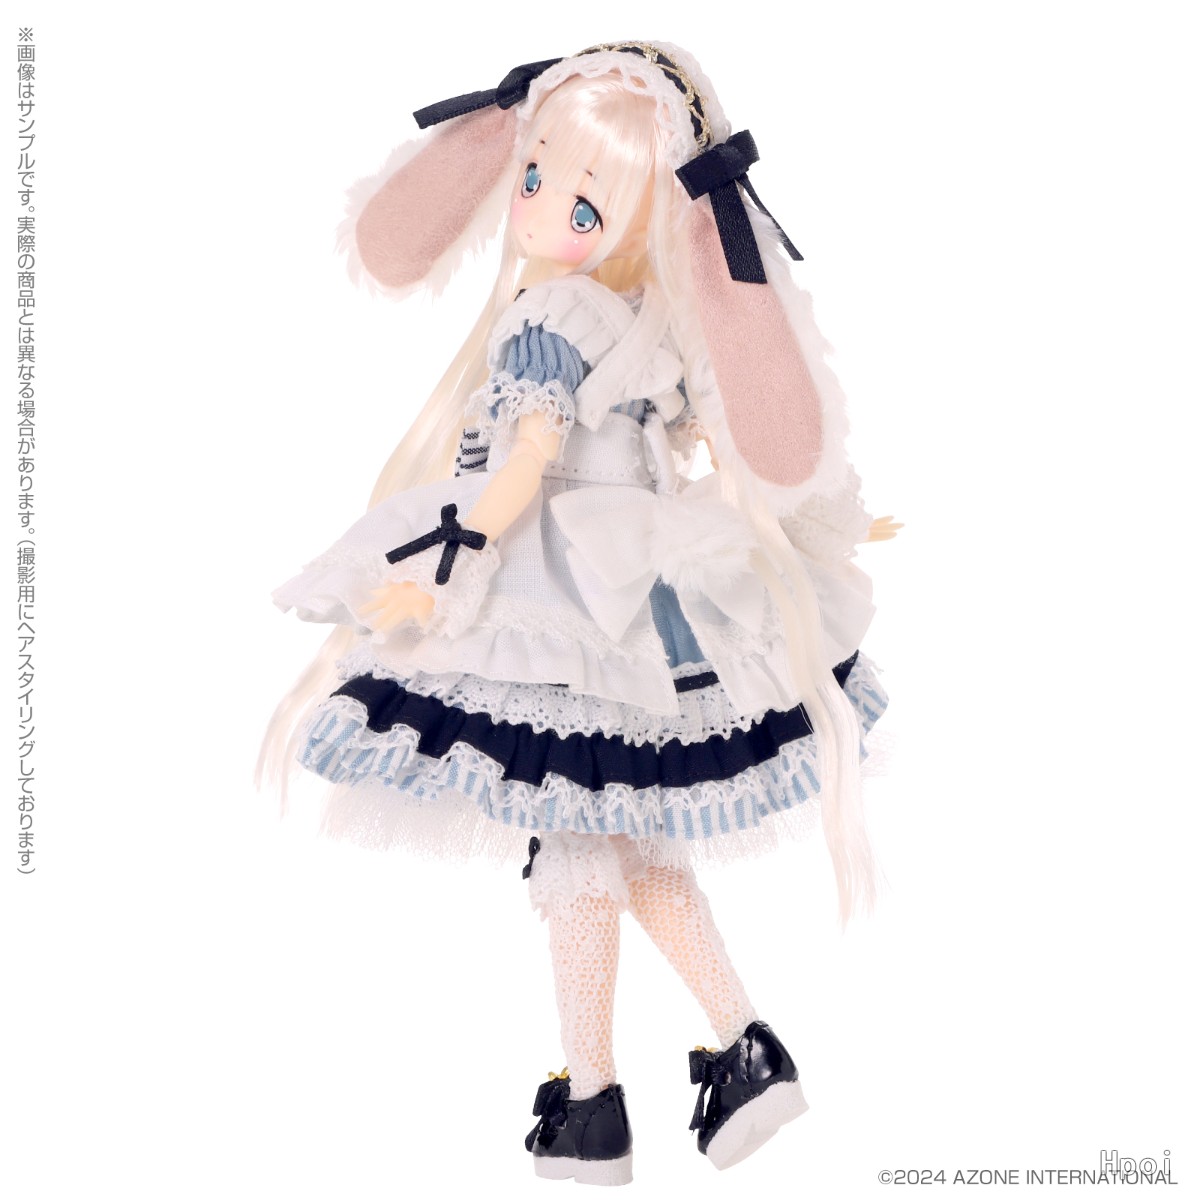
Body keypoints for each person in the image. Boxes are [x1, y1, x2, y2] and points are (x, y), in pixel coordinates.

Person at [261, 42, 892, 1186]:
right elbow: (721, 445)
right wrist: (821, 529)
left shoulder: (550, 313)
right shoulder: (653, 324)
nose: (541, 208)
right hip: (651, 603)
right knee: (630, 845)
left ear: (641, 218)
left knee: (584, 854)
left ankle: (595, 1099)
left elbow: (526, 458)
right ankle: (741, 1053)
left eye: (584, 201)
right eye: (534, 177)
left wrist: (450, 560)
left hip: (560, 593)